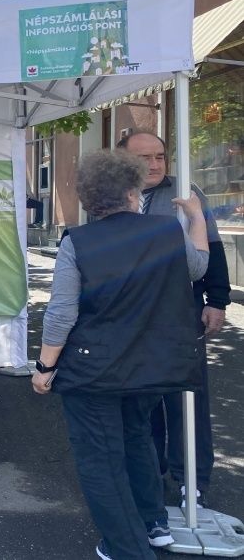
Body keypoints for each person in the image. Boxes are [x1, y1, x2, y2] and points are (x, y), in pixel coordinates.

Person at [33, 150, 209, 560]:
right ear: (133, 193)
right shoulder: (166, 232)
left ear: (90, 199)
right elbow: (198, 267)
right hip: (150, 366)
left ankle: (126, 548)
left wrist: (45, 367)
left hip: (93, 369)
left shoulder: (78, 241)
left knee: (101, 460)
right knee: (137, 438)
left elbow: (61, 313)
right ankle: (153, 523)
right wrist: (197, 218)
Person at [119, 131, 230, 509]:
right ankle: (152, 473)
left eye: (160, 156)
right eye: (144, 158)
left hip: (180, 313)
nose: (153, 165)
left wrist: (217, 300)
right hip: (133, 318)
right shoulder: (113, 196)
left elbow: (212, 249)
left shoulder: (186, 193)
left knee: (186, 399)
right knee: (142, 398)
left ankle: (191, 482)